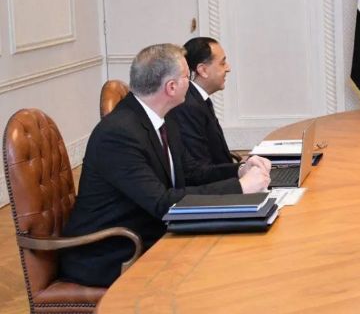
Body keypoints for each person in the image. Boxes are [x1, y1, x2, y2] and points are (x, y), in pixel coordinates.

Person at [60, 44, 272, 287]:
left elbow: (191, 173)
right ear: (171, 87)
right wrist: (240, 188)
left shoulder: (163, 117)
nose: (190, 84)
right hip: (113, 253)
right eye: (187, 78)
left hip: (151, 233)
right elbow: (162, 203)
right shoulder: (118, 134)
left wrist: (239, 170)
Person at [167, 37, 236, 166]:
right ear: (203, 70)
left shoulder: (198, 99)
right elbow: (201, 165)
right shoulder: (188, 106)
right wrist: (238, 170)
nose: (228, 68)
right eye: (222, 63)